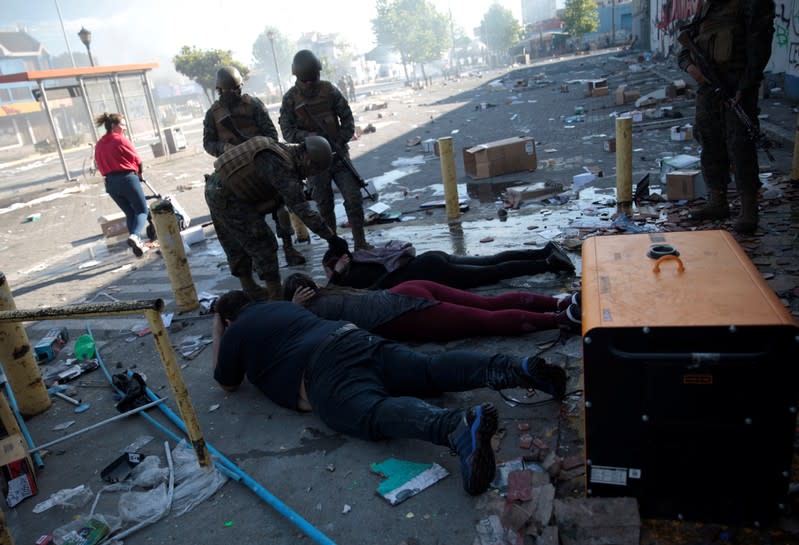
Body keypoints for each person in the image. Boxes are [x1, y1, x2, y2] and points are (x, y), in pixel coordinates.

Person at [211, 290, 567, 496]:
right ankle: (514, 368)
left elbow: (226, 381)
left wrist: (220, 328)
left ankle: (455, 427)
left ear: (229, 319)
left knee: (370, 411)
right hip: (353, 337)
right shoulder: (282, 305)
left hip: (321, 369)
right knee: (429, 369)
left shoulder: (236, 331)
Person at [204, 135, 350, 300]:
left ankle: (252, 289)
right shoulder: (280, 165)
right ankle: (276, 296)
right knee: (262, 242)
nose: (308, 175)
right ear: (308, 160)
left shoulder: (282, 151)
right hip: (227, 196)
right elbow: (302, 210)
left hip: (218, 189)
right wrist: (331, 238)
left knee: (240, 242)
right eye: (312, 171)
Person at [678, 0, 775, 235]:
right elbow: (684, 48)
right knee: (709, 139)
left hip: (736, 84)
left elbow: (759, 46)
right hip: (709, 86)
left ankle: (749, 208)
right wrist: (689, 66)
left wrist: (746, 86)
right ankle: (717, 200)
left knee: (740, 142)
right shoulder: (708, 7)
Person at [203, 66, 306, 266]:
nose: (232, 93)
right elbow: (208, 143)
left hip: (260, 165)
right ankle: (260, 257)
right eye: (228, 90)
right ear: (219, 90)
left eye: (236, 89)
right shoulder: (213, 114)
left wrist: (257, 145)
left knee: (280, 206)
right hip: (234, 171)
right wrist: (223, 147)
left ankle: (288, 247)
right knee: (246, 214)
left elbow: (271, 134)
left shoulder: (253, 105)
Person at [285, 273, 582, 341]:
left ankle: (561, 320)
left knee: (484, 321)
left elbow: (295, 332)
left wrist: (293, 308)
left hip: (407, 313)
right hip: (407, 290)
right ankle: (561, 302)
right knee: (487, 304)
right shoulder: (332, 289)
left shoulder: (311, 313)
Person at [279, 50, 371, 250]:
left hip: (338, 155)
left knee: (354, 198)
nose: (310, 83)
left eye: (313, 78)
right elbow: (287, 132)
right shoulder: (290, 99)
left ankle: (361, 243)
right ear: (297, 77)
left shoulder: (329, 90)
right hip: (313, 161)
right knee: (324, 205)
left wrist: (339, 139)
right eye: (305, 80)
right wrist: (308, 137)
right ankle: (334, 247)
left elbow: (347, 118)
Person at [323, 241, 575, 290]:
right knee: (491, 260)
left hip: (433, 272)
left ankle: (549, 262)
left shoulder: (349, 280)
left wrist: (336, 276)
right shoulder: (362, 256)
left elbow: (331, 296)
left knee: (492, 272)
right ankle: (543, 251)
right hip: (429, 258)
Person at [93, 112, 148, 257]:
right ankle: (135, 236)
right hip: (127, 179)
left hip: (111, 184)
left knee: (130, 212)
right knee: (142, 210)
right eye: (122, 125)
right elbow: (138, 160)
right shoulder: (120, 140)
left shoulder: (99, 144)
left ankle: (136, 243)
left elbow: (99, 164)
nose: (125, 128)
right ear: (113, 126)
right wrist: (140, 174)